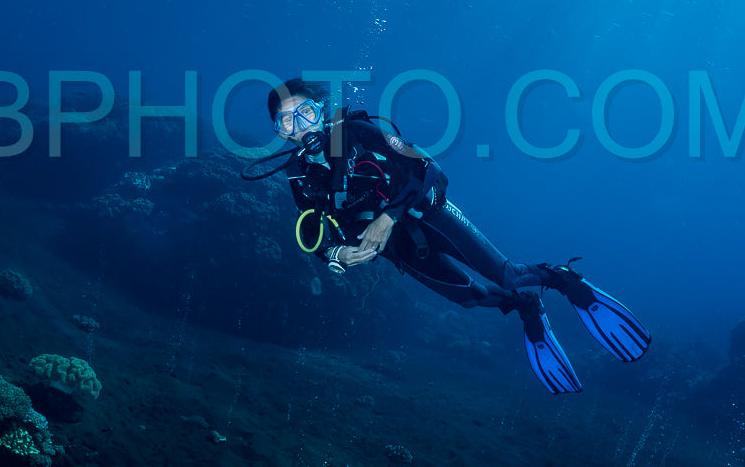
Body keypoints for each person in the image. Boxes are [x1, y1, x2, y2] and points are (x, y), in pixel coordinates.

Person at [251, 77, 651, 394]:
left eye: (305, 113)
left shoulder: (357, 132)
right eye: (287, 121)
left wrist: (388, 218)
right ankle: (525, 306)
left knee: (506, 274)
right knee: (469, 297)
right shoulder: (297, 172)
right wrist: (337, 254)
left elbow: (428, 169)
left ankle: (560, 278)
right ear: (280, 132)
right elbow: (311, 229)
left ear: (321, 110)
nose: (300, 126)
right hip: (400, 248)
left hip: (430, 215)